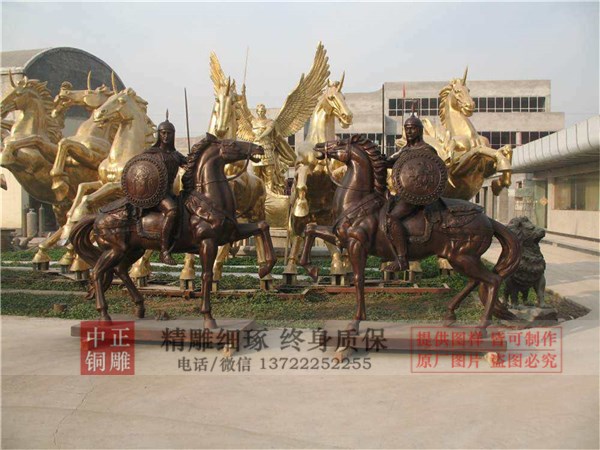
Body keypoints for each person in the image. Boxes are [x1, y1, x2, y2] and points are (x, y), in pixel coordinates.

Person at [384, 113, 445, 272]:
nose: (409, 132)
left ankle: (402, 259)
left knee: (392, 218)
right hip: (403, 195)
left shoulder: (427, 150)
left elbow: (435, 173)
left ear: (419, 130)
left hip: (417, 196)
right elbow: (389, 162)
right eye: (406, 129)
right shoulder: (405, 150)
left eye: (412, 128)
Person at [144, 117, 186, 265]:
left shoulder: (176, 155)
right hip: (156, 194)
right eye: (163, 133)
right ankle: (164, 250)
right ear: (159, 134)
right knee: (172, 210)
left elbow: (190, 165)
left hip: (170, 192)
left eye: (169, 133)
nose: (166, 136)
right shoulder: (151, 153)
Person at [250, 104, 295, 195]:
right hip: (255, 149)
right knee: (255, 173)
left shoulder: (270, 122)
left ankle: (270, 194)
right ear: (257, 112)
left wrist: (260, 137)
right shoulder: (253, 122)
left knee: (269, 173)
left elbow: (269, 130)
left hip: (267, 149)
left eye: (262, 111)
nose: (261, 112)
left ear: (265, 111)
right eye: (259, 111)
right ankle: (256, 194)